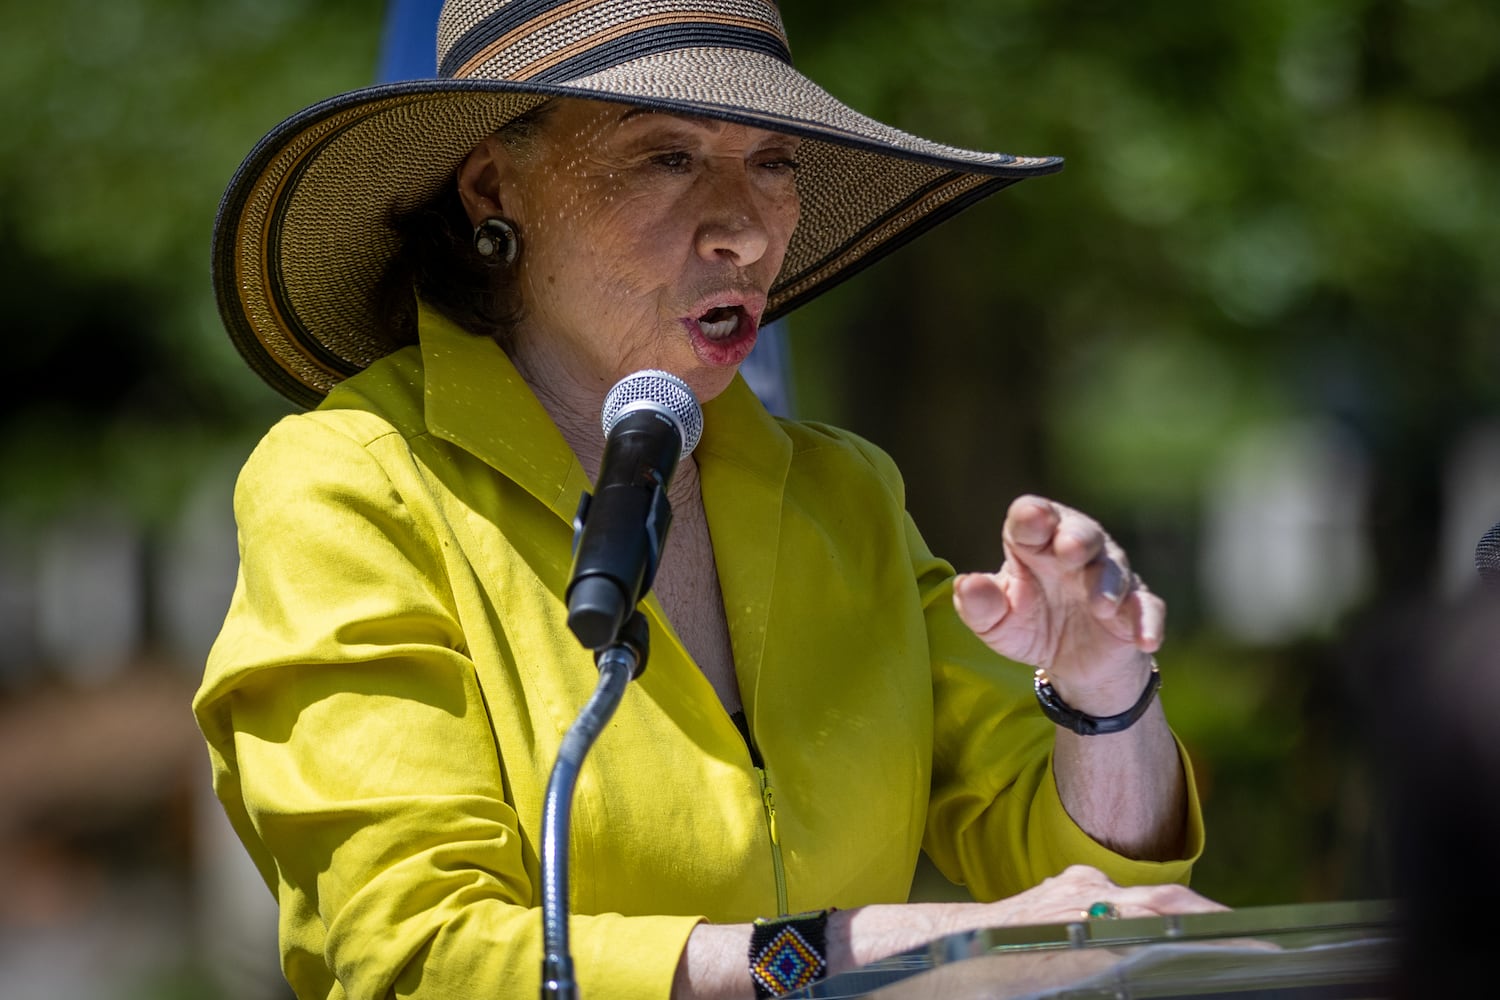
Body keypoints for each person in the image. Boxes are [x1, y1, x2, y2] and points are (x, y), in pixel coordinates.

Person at [192, 2, 1221, 997]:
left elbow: (1107, 907)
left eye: (774, 162)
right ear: (491, 186)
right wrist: (871, 950)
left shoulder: (845, 492)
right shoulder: (351, 486)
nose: (744, 230)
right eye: (667, 156)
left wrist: (1104, 694)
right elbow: (425, 960)